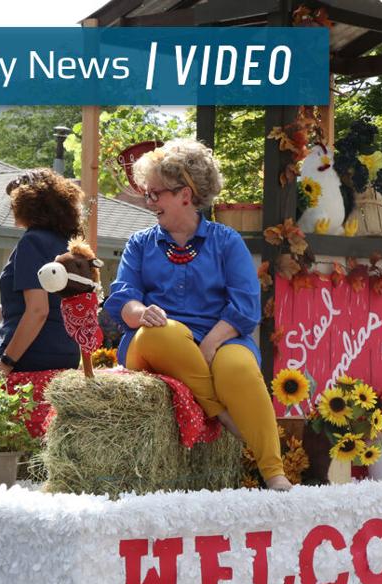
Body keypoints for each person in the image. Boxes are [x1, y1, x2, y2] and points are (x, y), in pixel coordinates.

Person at [105, 139, 291, 491]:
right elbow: (122, 299)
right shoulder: (140, 243)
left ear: (185, 194)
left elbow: (245, 307)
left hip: (218, 338)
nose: (149, 201)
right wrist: (141, 313)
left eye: (155, 193)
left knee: (239, 368)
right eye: (148, 193)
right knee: (164, 332)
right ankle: (219, 411)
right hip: (154, 341)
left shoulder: (227, 241)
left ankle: (274, 472)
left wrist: (208, 346)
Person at [0, 168, 81, 383]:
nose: (10, 207)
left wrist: (5, 363)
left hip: (34, 353)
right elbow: (26, 313)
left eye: (13, 200)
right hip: (65, 352)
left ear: (26, 202)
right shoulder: (66, 244)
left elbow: (38, 311)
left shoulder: (33, 242)